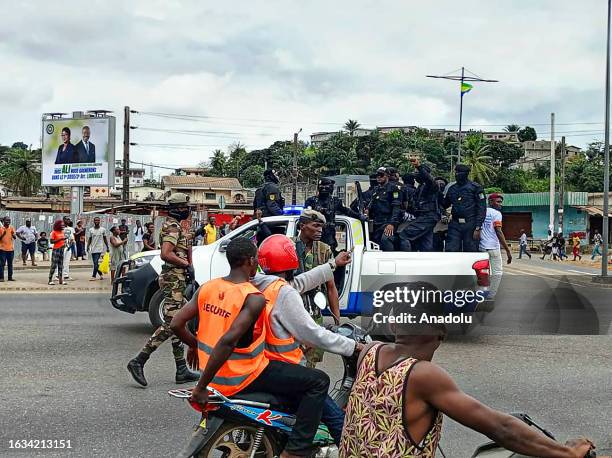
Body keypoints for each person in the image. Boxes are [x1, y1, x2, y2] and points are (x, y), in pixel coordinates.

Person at [339, 283, 595, 458]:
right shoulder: (423, 375)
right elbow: (500, 427)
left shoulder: (370, 351)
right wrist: (567, 452)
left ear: (394, 326)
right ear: (442, 331)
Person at [170, 238, 330, 458]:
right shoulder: (253, 297)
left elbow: (176, 323)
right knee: (318, 380)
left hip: (214, 373)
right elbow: (228, 341)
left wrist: (195, 345)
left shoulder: (208, 287)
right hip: (244, 374)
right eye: (256, 259)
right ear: (250, 261)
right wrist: (200, 387)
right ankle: (296, 451)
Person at [252, 234, 361, 445]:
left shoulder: (258, 284)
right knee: (333, 413)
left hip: (260, 364)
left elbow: (302, 281)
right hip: (283, 367)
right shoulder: (283, 293)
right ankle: (348, 448)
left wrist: (332, 264)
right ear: (292, 260)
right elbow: (312, 333)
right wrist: (352, 346)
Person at [127, 193, 199, 387]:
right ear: (178, 209)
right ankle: (139, 360)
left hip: (178, 278)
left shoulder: (177, 226)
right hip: (173, 279)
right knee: (173, 324)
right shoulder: (172, 227)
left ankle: (181, 369)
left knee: (179, 322)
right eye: (185, 206)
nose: (188, 209)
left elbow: (180, 248)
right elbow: (166, 253)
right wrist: (185, 264)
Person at [294, 209, 341, 368]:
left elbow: (331, 287)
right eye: (315, 226)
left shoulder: (324, 250)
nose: (320, 230)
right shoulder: (289, 247)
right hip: (293, 312)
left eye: (321, 227)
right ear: (302, 226)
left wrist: (337, 320)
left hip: (314, 313)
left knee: (311, 362)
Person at [304, 177, 364, 252]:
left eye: (326, 187)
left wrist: (359, 216)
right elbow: (305, 216)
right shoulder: (311, 201)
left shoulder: (335, 201)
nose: (323, 189)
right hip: (313, 236)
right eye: (321, 186)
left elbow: (347, 211)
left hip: (329, 237)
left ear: (331, 188)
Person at [398, 158, 441, 252]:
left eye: (418, 173)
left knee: (404, 235)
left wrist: (419, 166)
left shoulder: (432, 185)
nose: (415, 176)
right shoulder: (420, 187)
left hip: (428, 217)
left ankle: (405, 260)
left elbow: (429, 179)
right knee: (426, 244)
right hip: (422, 217)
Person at [443, 163, 487, 252]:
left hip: (470, 224)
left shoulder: (476, 188)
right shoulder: (452, 188)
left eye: (458, 172)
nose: (456, 174)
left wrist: (478, 227)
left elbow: (481, 208)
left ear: (466, 173)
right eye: (455, 172)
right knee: (451, 249)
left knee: (471, 251)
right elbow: (445, 204)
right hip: (455, 224)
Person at [480, 193, 512, 299]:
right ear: (490, 202)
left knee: (482, 272)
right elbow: (498, 231)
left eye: (500, 202)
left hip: (481, 248)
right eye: (498, 202)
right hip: (493, 247)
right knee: (497, 272)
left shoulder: (480, 211)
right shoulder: (496, 214)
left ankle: (481, 293)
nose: (500, 204)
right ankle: (491, 295)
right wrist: (507, 250)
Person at [368, 167, 402, 251]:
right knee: (375, 242)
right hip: (377, 222)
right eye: (377, 175)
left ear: (387, 176)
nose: (378, 177)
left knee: (385, 240)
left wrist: (392, 223)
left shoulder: (394, 188)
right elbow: (371, 203)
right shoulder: (376, 189)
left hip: (388, 222)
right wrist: (367, 210)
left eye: (381, 175)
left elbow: (396, 207)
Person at [87, 217, 109, 281]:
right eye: (95, 220)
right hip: (93, 248)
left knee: (96, 262)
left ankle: (93, 276)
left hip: (99, 248)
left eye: (98, 220)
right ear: (93, 221)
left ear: (100, 221)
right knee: (95, 263)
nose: (97, 221)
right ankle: (101, 274)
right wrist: (88, 246)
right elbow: (90, 239)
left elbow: (105, 239)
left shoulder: (103, 229)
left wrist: (107, 247)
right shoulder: (91, 230)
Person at [432, 177, 449, 252]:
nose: (440, 185)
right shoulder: (429, 195)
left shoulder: (444, 196)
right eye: (438, 184)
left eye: (442, 184)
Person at [48, 220, 67, 286]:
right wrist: (60, 239)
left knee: (61, 265)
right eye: (61, 225)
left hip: (62, 249)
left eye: (63, 225)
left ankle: (61, 280)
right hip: (56, 250)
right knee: (54, 265)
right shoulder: (53, 232)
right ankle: (50, 280)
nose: (63, 226)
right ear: (58, 225)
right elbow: (51, 241)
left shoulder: (62, 232)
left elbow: (63, 240)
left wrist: (64, 243)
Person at [0, 216, 17, 282]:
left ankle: (10, 277)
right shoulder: (1, 229)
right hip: (2, 249)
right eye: (6, 221)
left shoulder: (11, 228)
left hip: (10, 249)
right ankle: (1, 277)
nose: (8, 222)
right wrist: (3, 235)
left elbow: (15, 237)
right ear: (3, 221)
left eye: (9, 221)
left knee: (10, 264)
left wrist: (13, 235)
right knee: (2, 264)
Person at [61, 216, 75, 281]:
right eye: (67, 219)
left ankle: (66, 275)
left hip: (68, 247)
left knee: (67, 261)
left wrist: (70, 245)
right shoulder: (60, 228)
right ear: (63, 220)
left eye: (69, 219)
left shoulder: (70, 229)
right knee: (60, 261)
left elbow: (72, 238)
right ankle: (58, 275)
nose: (68, 220)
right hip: (61, 247)